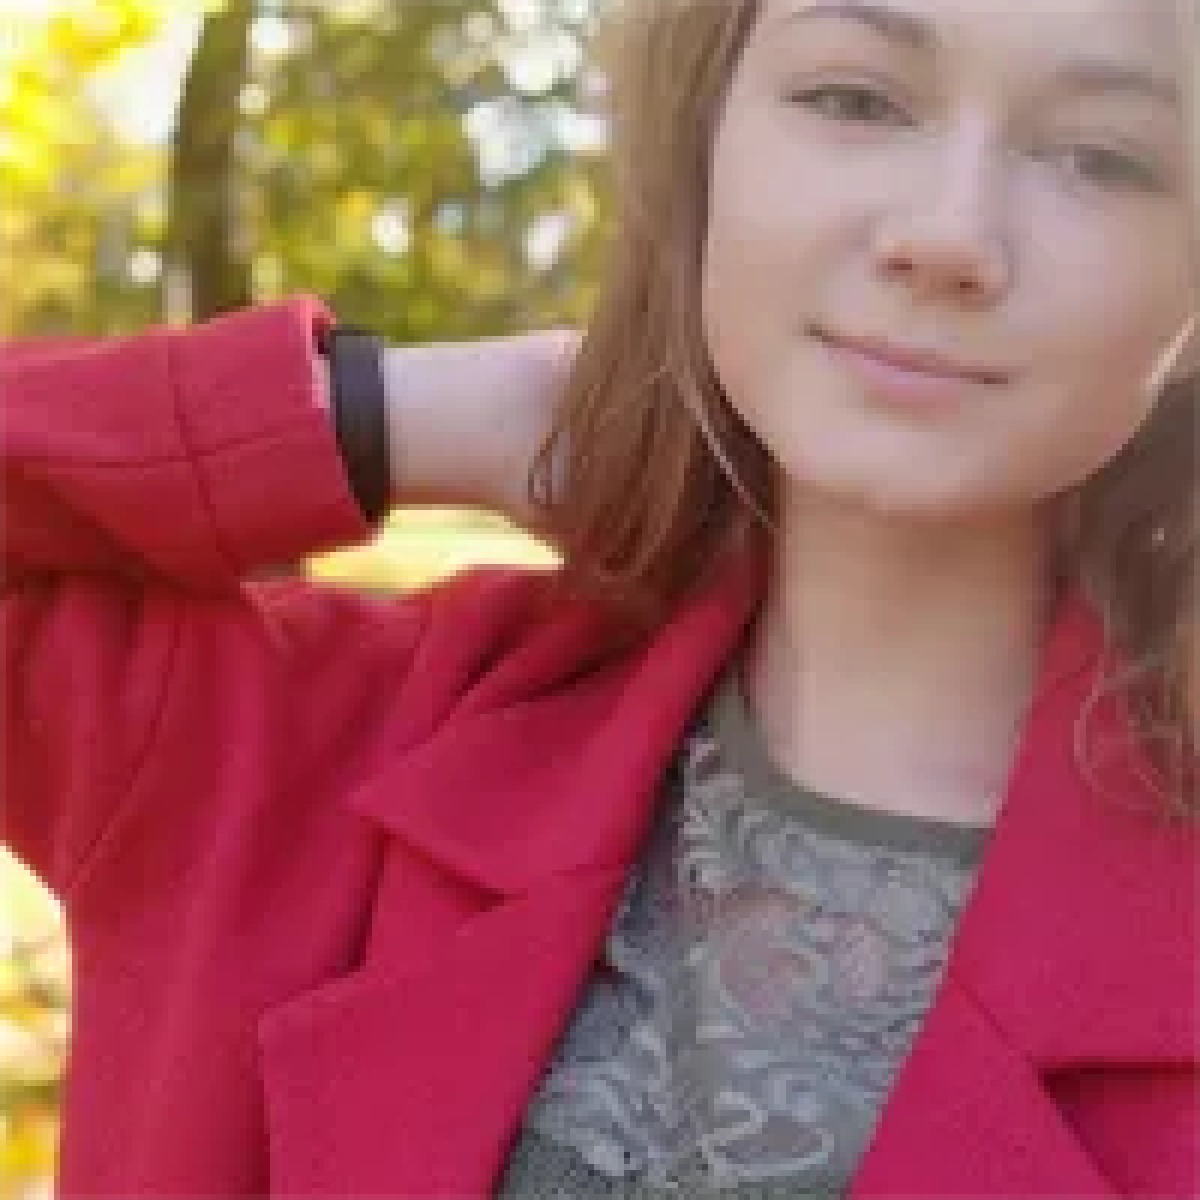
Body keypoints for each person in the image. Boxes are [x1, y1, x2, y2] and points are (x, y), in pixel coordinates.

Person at [2, 0, 1197, 1195]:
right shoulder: (303, 747)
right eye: (855, 98)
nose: (947, 235)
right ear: (701, 142)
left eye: (1102, 157)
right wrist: (398, 414)